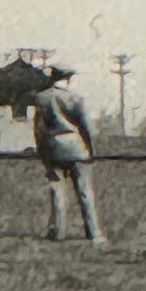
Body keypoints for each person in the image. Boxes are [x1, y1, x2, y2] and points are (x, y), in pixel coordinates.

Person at [30, 65, 108, 246]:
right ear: (68, 78)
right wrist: (91, 149)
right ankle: (94, 233)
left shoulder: (42, 98)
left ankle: (57, 231)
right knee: (85, 191)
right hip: (76, 148)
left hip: (53, 148)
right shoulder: (75, 98)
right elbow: (86, 126)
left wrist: (42, 149)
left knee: (57, 191)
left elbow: (38, 128)